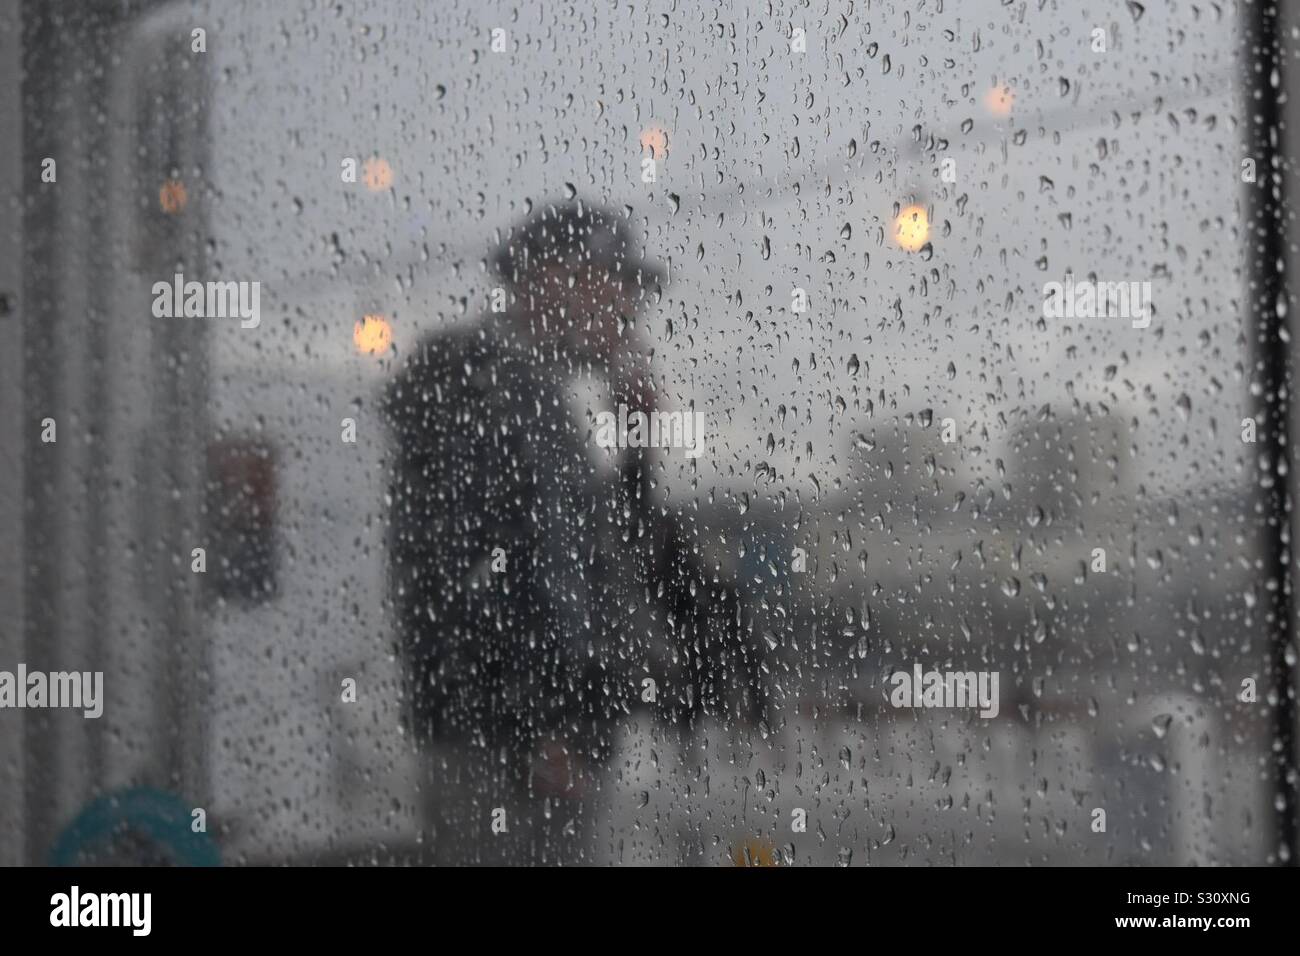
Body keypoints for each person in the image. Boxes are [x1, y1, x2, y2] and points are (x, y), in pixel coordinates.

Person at [382, 199, 760, 864]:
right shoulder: (483, 383)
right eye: (617, 285)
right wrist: (543, 726)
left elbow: (605, 562)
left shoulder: (537, 396)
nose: (629, 312)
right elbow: (484, 578)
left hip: (534, 729)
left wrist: (636, 449)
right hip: (506, 741)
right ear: (551, 281)